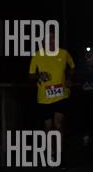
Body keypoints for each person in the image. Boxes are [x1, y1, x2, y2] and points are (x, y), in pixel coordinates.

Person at [29, 31, 75, 163]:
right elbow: (30, 75)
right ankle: (52, 152)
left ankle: (60, 154)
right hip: (44, 97)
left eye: (53, 39)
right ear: (43, 42)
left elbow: (72, 67)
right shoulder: (37, 55)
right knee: (48, 126)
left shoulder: (64, 53)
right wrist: (39, 76)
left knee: (58, 124)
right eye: (48, 39)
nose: (51, 42)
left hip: (61, 95)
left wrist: (69, 79)